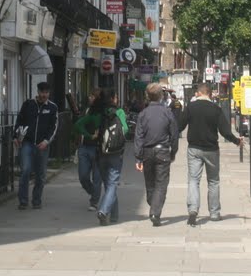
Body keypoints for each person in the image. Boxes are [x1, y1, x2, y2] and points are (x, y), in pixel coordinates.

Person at [178, 81, 243, 226]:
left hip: (194, 148)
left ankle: (193, 210)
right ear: (209, 94)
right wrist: (236, 141)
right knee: (213, 181)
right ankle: (214, 213)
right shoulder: (216, 109)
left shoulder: (191, 107)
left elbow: (179, 125)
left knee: (194, 180)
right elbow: (225, 131)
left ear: (199, 93)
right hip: (211, 149)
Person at [133, 82, 179, 227]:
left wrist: (138, 157)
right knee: (161, 183)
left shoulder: (143, 114)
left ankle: (153, 204)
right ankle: (155, 211)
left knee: (150, 182)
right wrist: (173, 151)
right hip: (163, 151)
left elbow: (138, 136)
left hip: (147, 152)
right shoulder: (167, 112)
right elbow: (174, 135)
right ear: (161, 96)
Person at [14, 81, 60, 209]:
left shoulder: (52, 107)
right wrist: (16, 136)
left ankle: (36, 199)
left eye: (46, 92)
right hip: (27, 143)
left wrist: (46, 141)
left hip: (42, 145)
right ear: (38, 92)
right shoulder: (28, 104)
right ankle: (23, 201)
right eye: (42, 92)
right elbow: (19, 120)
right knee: (25, 170)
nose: (44, 95)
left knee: (40, 174)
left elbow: (54, 127)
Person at [91, 89, 128, 226]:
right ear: (113, 98)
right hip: (116, 153)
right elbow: (125, 129)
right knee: (112, 184)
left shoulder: (98, 112)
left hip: (101, 152)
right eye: (116, 96)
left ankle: (114, 216)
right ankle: (103, 211)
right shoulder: (119, 112)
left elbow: (91, 126)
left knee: (108, 184)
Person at [72, 88, 103, 210]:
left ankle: (94, 201)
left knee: (97, 177)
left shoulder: (103, 112)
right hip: (84, 147)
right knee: (83, 176)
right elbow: (78, 126)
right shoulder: (86, 110)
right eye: (90, 95)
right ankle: (94, 193)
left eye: (92, 96)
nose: (90, 98)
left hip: (97, 148)